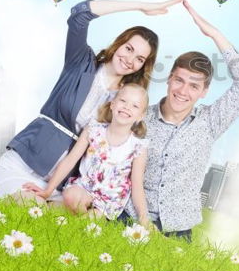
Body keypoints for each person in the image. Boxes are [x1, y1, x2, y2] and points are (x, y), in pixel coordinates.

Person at [0, 0, 183, 204]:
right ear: (118, 44)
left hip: (62, 184)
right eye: (129, 49)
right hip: (25, 162)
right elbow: (78, 16)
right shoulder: (81, 63)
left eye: (140, 59)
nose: (130, 60)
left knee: (59, 220)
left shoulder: (124, 100)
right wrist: (141, 5)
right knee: (30, 206)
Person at [118, 0, 239, 242]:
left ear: (204, 91)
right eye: (179, 80)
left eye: (194, 86)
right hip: (128, 217)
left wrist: (213, 34)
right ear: (169, 79)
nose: (183, 91)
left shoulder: (211, 122)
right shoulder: (139, 116)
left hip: (178, 230)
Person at [22, 84, 150, 224]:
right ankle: (65, 212)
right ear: (112, 104)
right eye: (123, 101)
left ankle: (73, 219)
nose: (127, 107)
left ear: (141, 116)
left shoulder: (138, 147)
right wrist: (48, 190)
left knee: (94, 219)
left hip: (107, 204)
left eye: (135, 106)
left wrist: (144, 217)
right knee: (70, 195)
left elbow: (137, 186)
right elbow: (70, 160)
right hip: (84, 189)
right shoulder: (93, 130)